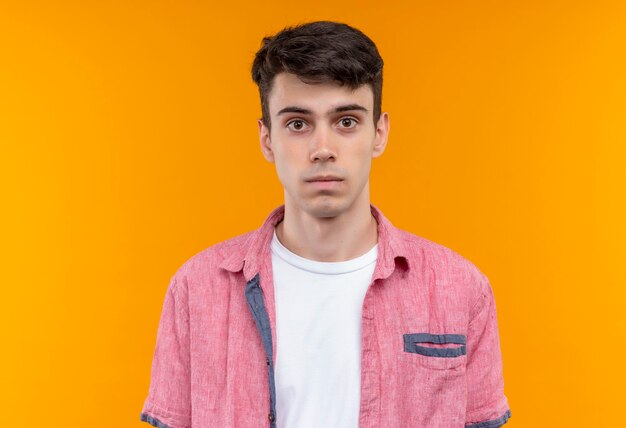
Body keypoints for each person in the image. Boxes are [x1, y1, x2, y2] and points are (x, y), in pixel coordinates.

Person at [139, 20, 511, 428]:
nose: (322, 149)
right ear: (267, 139)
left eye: (346, 121)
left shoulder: (460, 288)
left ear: (379, 133)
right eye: (298, 124)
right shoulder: (196, 289)